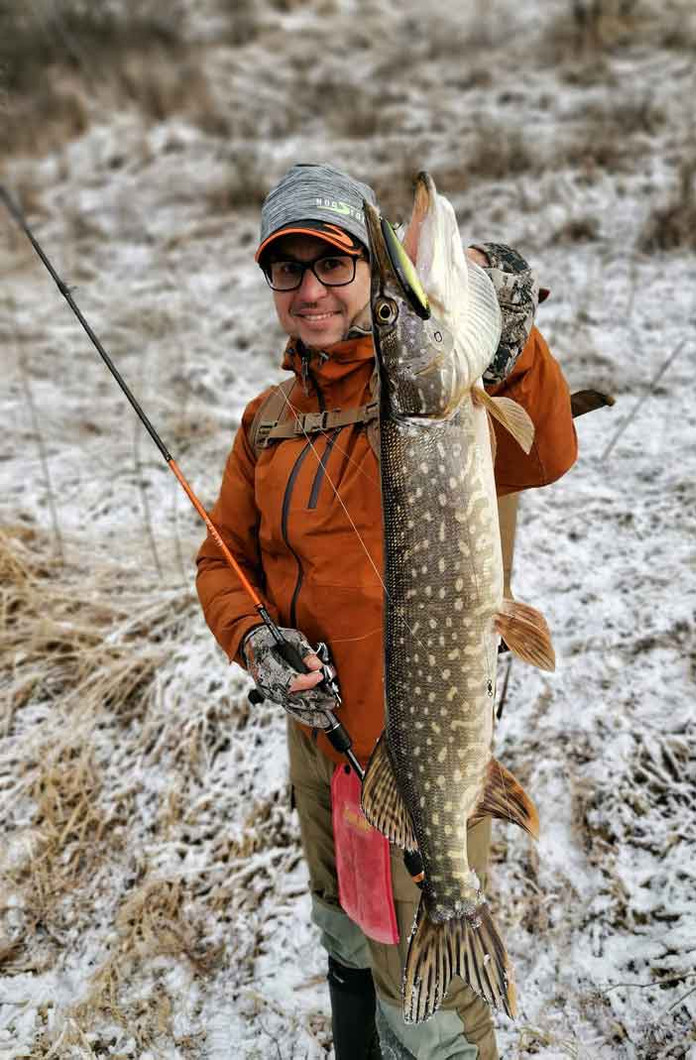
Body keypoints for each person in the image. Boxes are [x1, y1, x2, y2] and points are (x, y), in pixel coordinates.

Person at [196, 163, 578, 1060]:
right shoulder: (266, 421)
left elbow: (546, 449)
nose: (311, 289)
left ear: (371, 276)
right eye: (285, 269)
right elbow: (223, 561)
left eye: (332, 263)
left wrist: (510, 338)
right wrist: (254, 642)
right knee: (345, 934)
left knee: (425, 996)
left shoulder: (442, 393)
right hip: (318, 740)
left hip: (420, 749)